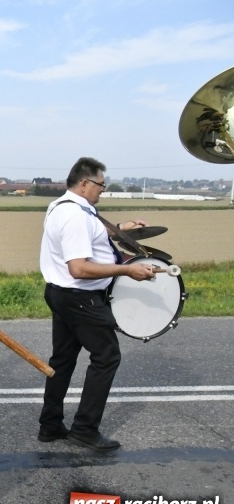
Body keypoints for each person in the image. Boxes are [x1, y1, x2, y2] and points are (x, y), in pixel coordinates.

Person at [38, 156, 155, 452]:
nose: (103, 189)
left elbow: (90, 235)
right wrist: (128, 269)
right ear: (85, 183)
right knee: (107, 356)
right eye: (101, 185)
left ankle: (50, 426)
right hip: (80, 296)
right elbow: (79, 267)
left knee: (62, 361)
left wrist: (120, 227)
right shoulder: (76, 215)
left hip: (61, 293)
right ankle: (85, 430)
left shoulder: (65, 206)